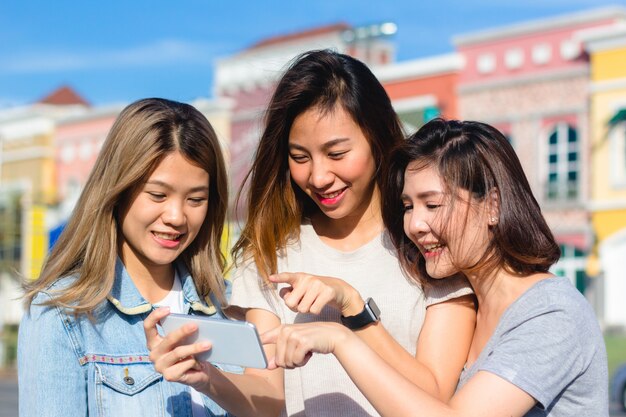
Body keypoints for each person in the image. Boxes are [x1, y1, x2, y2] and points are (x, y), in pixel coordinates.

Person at [145, 49, 476, 417]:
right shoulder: (272, 251)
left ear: (378, 138)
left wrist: (352, 309)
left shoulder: (428, 244)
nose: (318, 177)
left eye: (337, 154)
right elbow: (269, 400)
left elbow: (435, 398)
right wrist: (207, 379)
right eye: (300, 157)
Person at [262, 118, 609, 416]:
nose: (414, 224)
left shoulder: (551, 313)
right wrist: (352, 306)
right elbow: (425, 397)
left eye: (433, 204)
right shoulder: (473, 305)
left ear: (492, 205)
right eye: (409, 206)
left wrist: (340, 339)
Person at [18, 98, 237, 417]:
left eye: (196, 199)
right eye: (157, 195)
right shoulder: (62, 316)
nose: (176, 216)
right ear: (117, 191)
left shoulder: (232, 307)